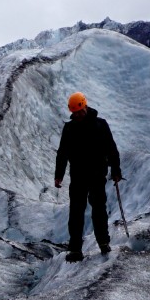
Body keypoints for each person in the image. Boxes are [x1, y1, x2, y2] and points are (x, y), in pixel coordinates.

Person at [54, 92, 122, 262]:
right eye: (75, 113)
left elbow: (111, 149)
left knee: (98, 209)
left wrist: (116, 170)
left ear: (85, 106)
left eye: (80, 111)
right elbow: (62, 153)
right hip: (78, 177)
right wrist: (59, 175)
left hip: (97, 175)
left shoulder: (100, 125)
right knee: (76, 212)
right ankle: (75, 249)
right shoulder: (69, 128)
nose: (78, 115)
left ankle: (103, 243)